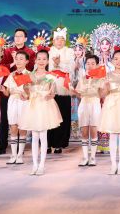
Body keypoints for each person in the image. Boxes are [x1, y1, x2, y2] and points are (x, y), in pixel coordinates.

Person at [19, 49, 64, 176]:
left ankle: (42, 165)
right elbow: (26, 92)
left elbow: (52, 92)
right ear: (35, 60)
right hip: (33, 106)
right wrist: (24, 96)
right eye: (39, 59)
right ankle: (34, 165)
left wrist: (50, 96)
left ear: (47, 61)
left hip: (44, 105)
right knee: (34, 136)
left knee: (43, 136)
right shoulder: (29, 75)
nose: (41, 61)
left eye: (44, 59)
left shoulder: (50, 76)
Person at [0, 28, 35, 155]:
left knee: (21, 119)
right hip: (9, 87)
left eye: (20, 36)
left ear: (25, 39)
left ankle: (19, 147)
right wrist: (13, 62)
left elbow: (31, 68)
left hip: (23, 89)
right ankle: (2, 146)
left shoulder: (30, 52)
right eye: (16, 36)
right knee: (5, 118)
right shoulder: (8, 51)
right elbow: (1, 68)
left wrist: (21, 62)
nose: (18, 38)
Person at [0, 50, 31, 165]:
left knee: (22, 127)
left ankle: (20, 155)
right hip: (12, 101)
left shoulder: (30, 74)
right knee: (13, 127)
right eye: (16, 59)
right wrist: (3, 90)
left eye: (21, 59)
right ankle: (13, 155)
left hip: (23, 102)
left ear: (26, 61)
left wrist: (26, 95)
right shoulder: (11, 75)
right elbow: (7, 93)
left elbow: (31, 92)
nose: (18, 61)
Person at [73, 54, 105, 167]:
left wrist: (104, 86)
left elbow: (102, 94)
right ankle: (85, 157)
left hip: (95, 104)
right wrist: (72, 90)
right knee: (84, 131)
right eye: (88, 63)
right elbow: (78, 94)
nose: (90, 66)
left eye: (93, 63)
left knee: (94, 130)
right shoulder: (82, 78)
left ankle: (93, 157)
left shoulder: (101, 78)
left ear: (97, 65)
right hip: (83, 104)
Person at [47, 27, 75, 155]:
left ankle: (59, 143)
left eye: (62, 39)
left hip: (63, 86)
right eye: (57, 39)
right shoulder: (48, 51)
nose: (59, 41)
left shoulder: (69, 51)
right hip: (50, 85)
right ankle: (47, 143)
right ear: (53, 40)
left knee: (62, 116)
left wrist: (59, 64)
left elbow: (71, 67)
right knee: (49, 115)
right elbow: (45, 67)